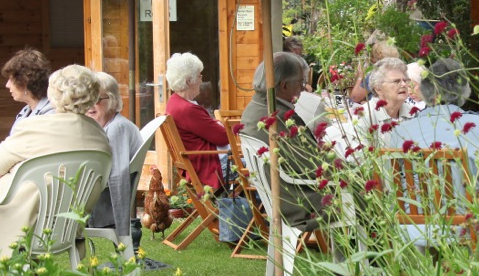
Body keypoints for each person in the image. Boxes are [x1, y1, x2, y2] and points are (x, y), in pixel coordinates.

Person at [0, 65, 111, 255]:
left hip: (18, 226)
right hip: (66, 228)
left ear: (53, 94)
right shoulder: (100, 137)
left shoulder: (33, 127)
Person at [383, 57, 479, 195]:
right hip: (466, 213)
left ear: (425, 90)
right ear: (464, 91)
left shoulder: (401, 131)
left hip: (412, 214)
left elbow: (392, 182)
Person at [240, 52, 330, 231]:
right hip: (298, 203)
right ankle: (374, 258)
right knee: (368, 196)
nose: (303, 89)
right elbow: (315, 165)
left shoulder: (253, 108)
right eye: (301, 83)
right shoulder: (277, 118)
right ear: (284, 85)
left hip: (278, 197)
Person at [162, 52, 229, 192]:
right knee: (260, 166)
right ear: (188, 81)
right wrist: (219, 125)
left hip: (197, 164)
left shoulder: (174, 101)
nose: (201, 81)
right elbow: (224, 137)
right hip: (209, 167)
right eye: (199, 76)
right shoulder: (187, 110)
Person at [86, 71, 143, 232]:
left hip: (103, 209)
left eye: (96, 100)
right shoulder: (105, 127)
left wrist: (122, 229)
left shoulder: (117, 128)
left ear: (112, 99)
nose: (90, 106)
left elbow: (118, 177)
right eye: (86, 100)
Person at [0, 48, 54, 158]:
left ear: (24, 81)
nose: (7, 85)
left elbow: (30, 147)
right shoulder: (25, 111)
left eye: (11, 79)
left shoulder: (51, 112)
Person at [363, 58, 422, 131]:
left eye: (405, 80)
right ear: (378, 89)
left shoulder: (413, 113)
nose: (403, 84)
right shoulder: (364, 117)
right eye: (396, 81)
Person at [348, 36, 400, 103]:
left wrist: (360, 77)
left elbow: (353, 99)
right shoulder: (401, 72)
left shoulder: (375, 75)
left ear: (374, 60)